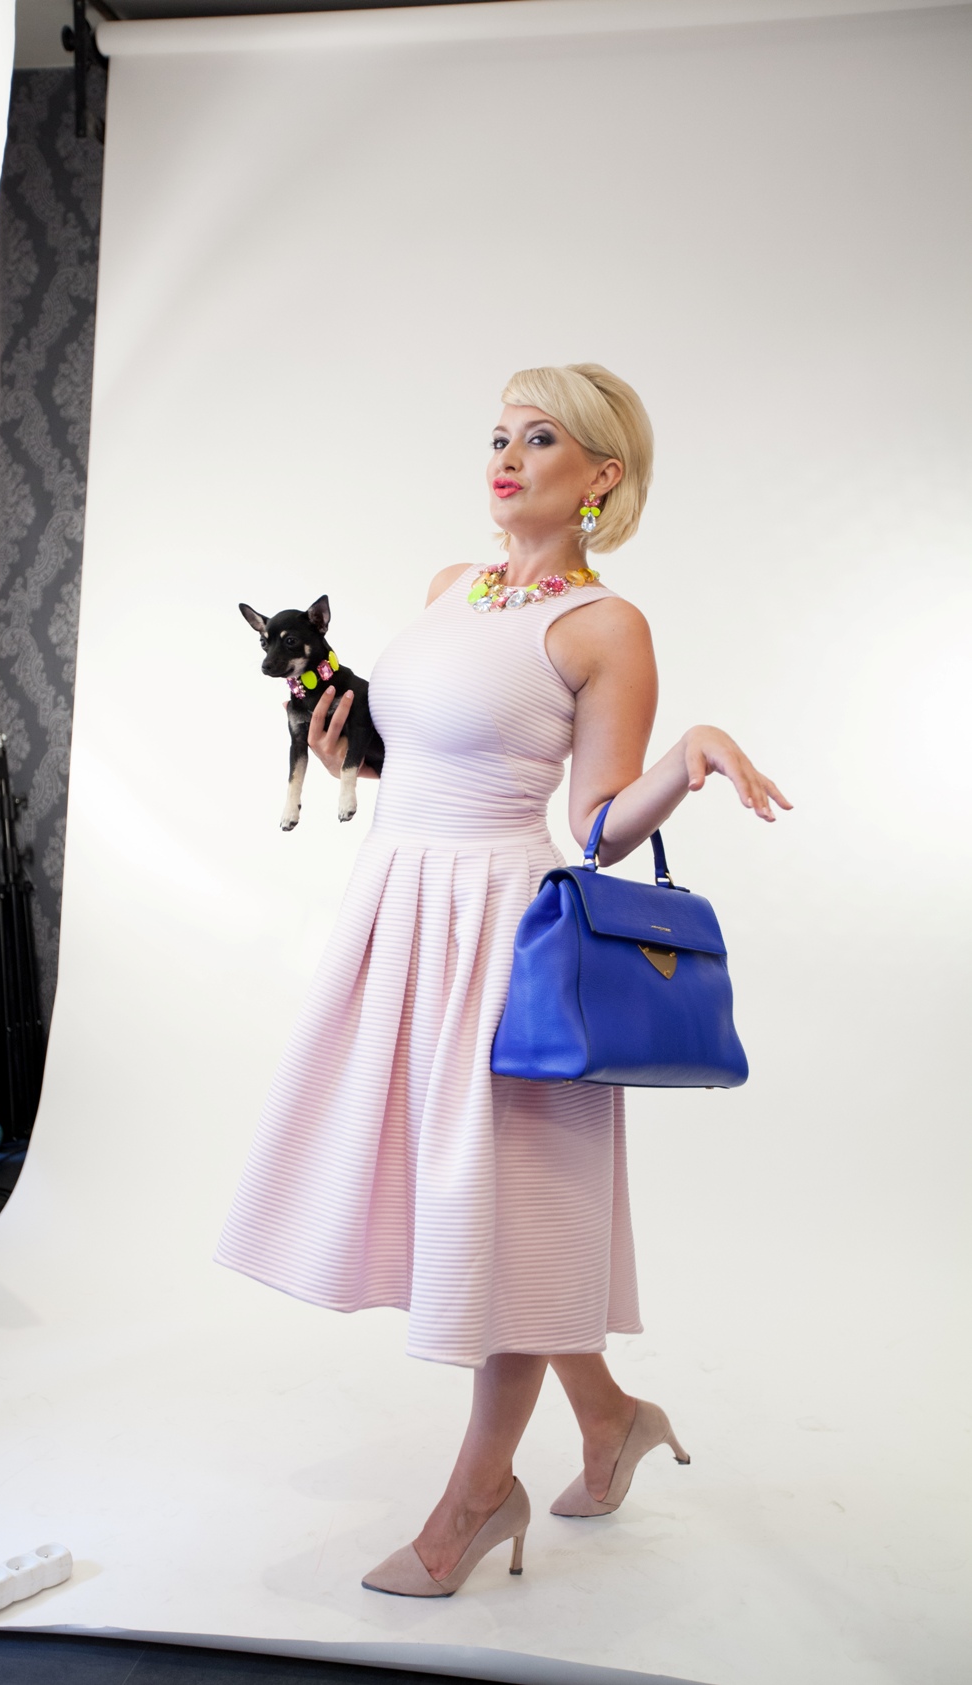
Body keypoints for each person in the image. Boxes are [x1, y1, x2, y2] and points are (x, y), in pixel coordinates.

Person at [215, 363, 790, 1597]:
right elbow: (424, 750)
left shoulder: (604, 625)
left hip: (502, 934)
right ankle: (611, 1417)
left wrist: (685, 756)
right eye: (497, 435)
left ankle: (477, 1498)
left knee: (514, 1214)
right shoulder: (446, 590)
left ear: (600, 477)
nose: (507, 457)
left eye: (539, 439)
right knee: (473, 1196)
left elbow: (596, 824)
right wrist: (352, 752)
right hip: (399, 908)